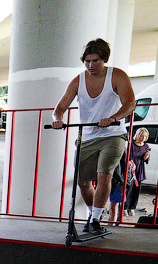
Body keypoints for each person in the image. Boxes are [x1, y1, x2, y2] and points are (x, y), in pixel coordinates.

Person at [52, 38, 136, 235]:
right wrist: (58, 118)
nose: (91, 65)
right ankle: (93, 213)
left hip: (113, 134)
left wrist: (113, 118)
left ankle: (96, 219)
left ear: (104, 59)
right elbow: (59, 108)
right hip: (88, 136)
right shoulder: (78, 80)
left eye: (95, 61)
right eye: (87, 61)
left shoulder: (117, 76)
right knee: (83, 182)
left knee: (104, 173)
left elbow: (130, 103)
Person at [125, 127, 151, 217]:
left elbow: (145, 160)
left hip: (140, 170)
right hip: (131, 169)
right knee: (129, 189)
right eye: (141, 135)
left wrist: (147, 155)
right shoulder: (131, 145)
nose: (143, 138)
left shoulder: (146, 146)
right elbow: (129, 156)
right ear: (137, 135)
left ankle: (132, 207)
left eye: (145, 136)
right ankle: (125, 207)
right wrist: (131, 163)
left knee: (137, 190)